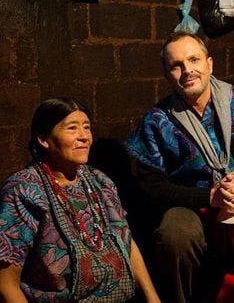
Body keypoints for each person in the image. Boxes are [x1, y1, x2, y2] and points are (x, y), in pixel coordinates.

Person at [125, 32, 234, 303]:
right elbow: (152, 187)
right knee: (175, 234)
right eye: (176, 65)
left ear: (210, 64)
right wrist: (210, 197)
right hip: (195, 204)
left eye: (194, 60)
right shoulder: (156, 121)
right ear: (167, 75)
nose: (187, 70)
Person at [0, 97, 160, 303]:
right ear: (43, 139)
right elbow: (6, 283)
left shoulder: (100, 182)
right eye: (72, 128)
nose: (84, 136)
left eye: (87, 127)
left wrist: (152, 297)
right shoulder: (24, 190)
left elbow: (126, 242)